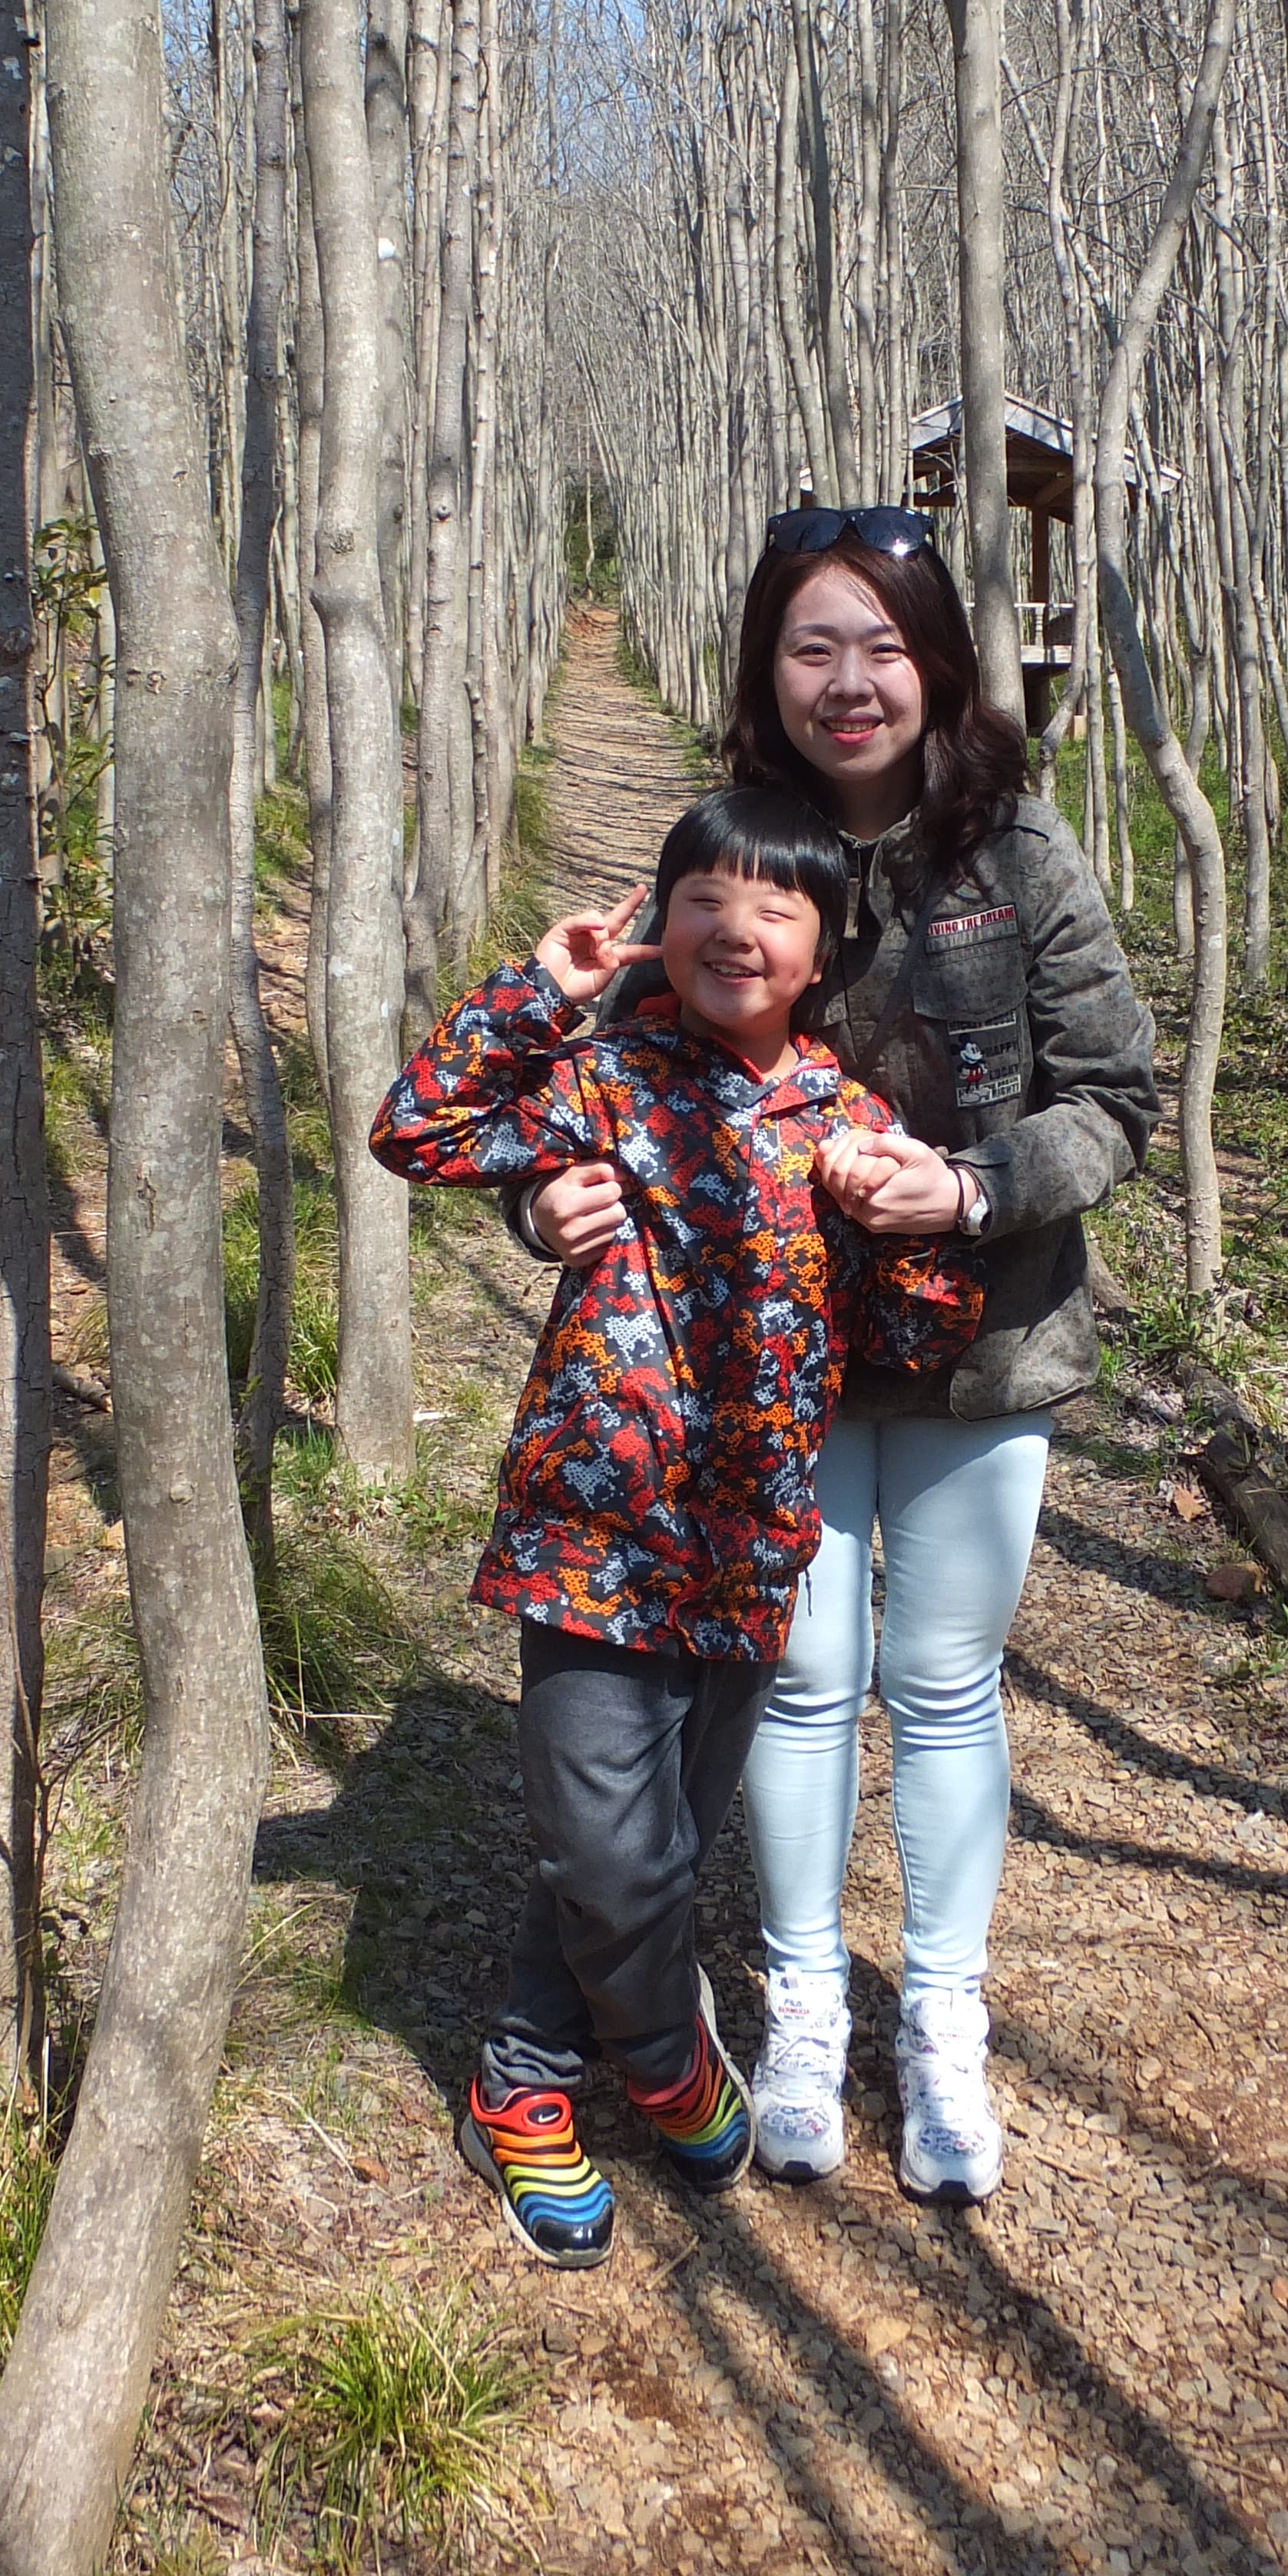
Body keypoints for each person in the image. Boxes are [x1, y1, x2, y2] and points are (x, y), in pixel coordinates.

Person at [518, 506, 1158, 2205]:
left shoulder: (1019, 854)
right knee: (799, 1682)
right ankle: (805, 2001)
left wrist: (970, 1184)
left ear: (941, 664)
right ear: (766, 670)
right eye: (814, 646)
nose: (850, 680)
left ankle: (940, 2016)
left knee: (944, 1684)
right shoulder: (733, 847)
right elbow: (610, 1097)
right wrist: (549, 1213)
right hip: (757, 1361)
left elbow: (1118, 1098)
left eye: (884, 645)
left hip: (984, 1336)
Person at [369, 782, 983, 2270]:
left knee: (662, 1844)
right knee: (608, 1853)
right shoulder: (612, 1077)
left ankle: (522, 2076)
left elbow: (922, 1330)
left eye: (777, 906)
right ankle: (656, 2056)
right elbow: (416, 1129)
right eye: (703, 897)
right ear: (661, 928)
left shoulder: (847, 1116)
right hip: (593, 1529)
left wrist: (905, 1215)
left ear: (825, 948)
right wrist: (540, 993)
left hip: (750, 1547)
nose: (736, 928)